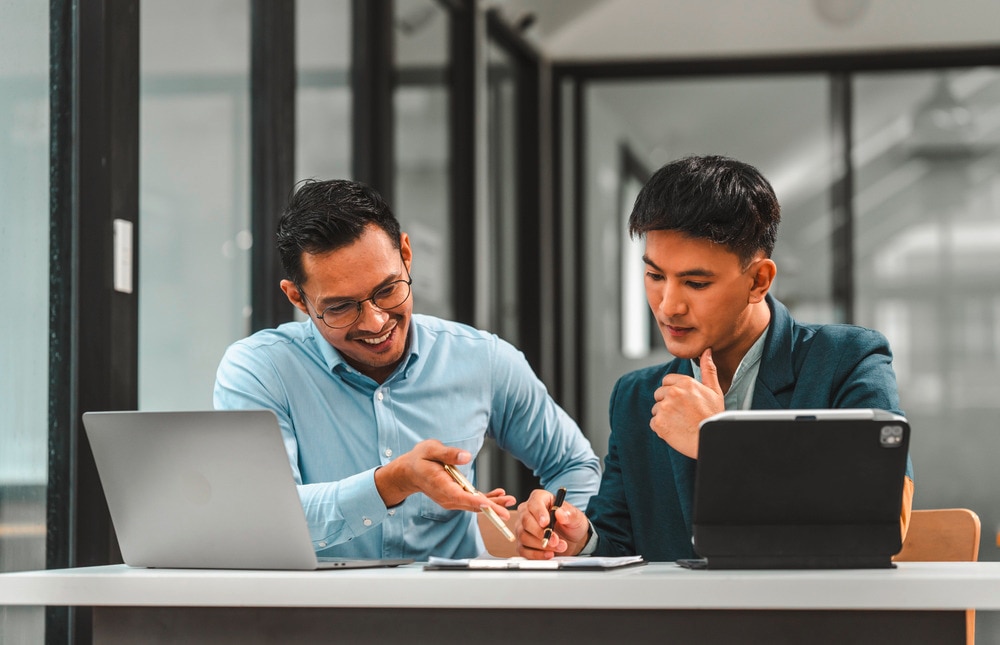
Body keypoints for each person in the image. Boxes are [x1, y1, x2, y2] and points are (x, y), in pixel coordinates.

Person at [516, 154, 914, 561]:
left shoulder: (846, 361)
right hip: (677, 623)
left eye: (695, 282)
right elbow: (620, 546)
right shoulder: (635, 397)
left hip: (808, 619)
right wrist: (579, 538)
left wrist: (721, 444)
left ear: (759, 280)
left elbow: (879, 520)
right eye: (655, 276)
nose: (668, 306)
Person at [214, 179, 601, 561]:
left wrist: (554, 524)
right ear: (297, 297)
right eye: (341, 308)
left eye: (387, 290)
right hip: (316, 616)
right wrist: (393, 482)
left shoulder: (482, 359)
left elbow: (574, 464)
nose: (375, 322)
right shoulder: (260, 370)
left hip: (457, 615)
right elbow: (260, 515)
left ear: (406, 253)